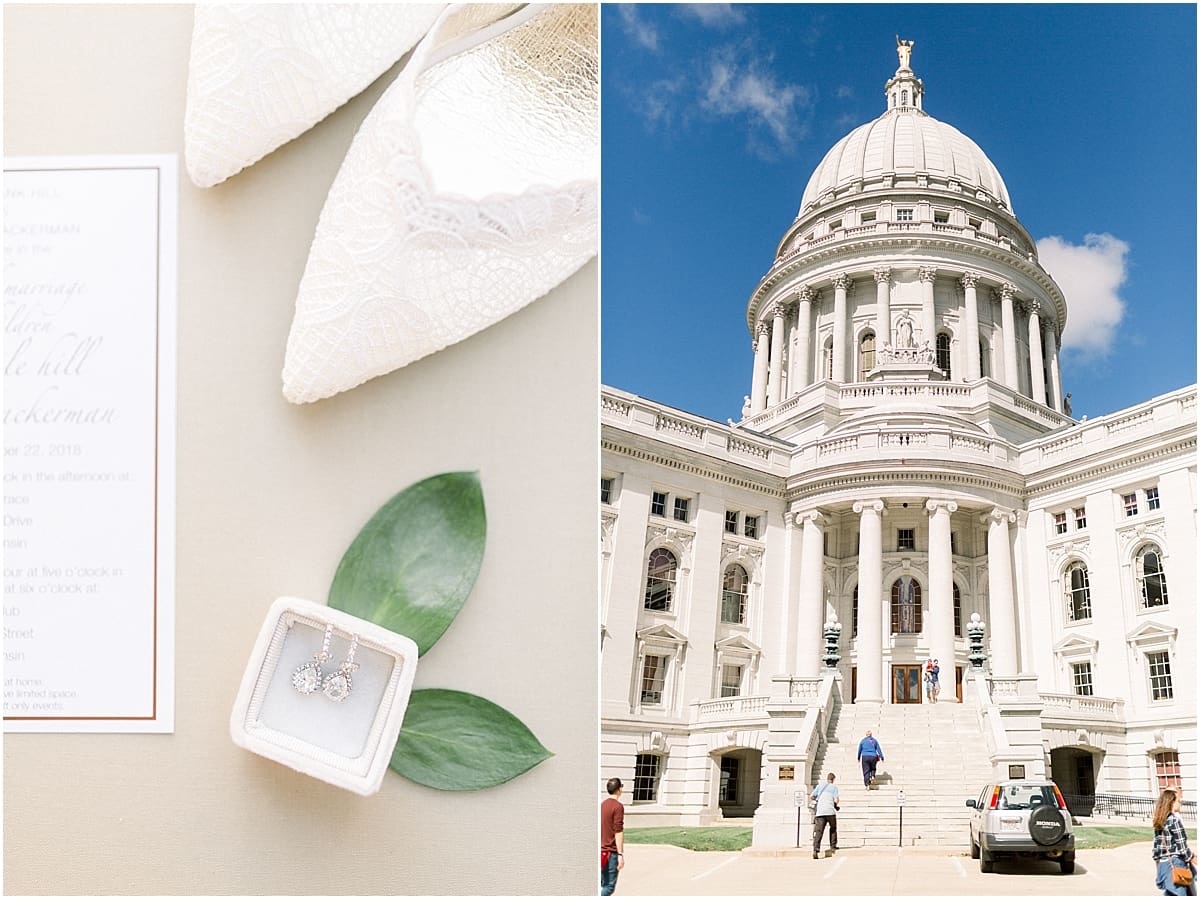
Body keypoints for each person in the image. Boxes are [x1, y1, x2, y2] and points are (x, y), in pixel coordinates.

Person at [1153, 788, 1196, 896]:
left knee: (1170, 893)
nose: (1180, 803)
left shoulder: (1160, 820)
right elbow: (1182, 847)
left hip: (1163, 864)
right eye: (1178, 801)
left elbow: (1156, 850)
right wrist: (1192, 858)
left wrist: (1158, 869)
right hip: (1176, 863)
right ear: (1171, 802)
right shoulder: (1174, 820)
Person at [601, 777, 625, 896]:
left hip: (601, 850)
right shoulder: (618, 806)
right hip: (610, 852)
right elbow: (618, 831)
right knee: (609, 886)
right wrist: (620, 854)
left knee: (603, 882)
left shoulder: (602, 805)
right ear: (619, 789)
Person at [810, 772, 840, 859]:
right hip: (830, 811)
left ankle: (816, 849)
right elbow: (836, 800)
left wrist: (820, 799)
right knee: (833, 828)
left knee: (819, 831)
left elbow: (811, 797)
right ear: (833, 779)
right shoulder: (834, 787)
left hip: (820, 812)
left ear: (827, 778)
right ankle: (833, 845)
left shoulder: (820, 786)